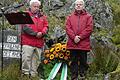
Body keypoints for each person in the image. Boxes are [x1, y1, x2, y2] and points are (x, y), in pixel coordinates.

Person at [65, 0, 93, 80]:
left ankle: (82, 75)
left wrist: (80, 37)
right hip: (72, 43)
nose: (78, 6)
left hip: (83, 43)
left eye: (80, 4)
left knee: (83, 61)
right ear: (74, 6)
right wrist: (74, 37)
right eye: (77, 4)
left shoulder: (88, 17)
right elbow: (68, 28)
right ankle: (74, 76)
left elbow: (89, 29)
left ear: (83, 6)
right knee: (73, 60)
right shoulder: (70, 17)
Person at [21, 0, 48, 79]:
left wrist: (42, 33)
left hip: (39, 43)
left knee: (36, 62)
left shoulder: (43, 16)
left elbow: (46, 26)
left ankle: (33, 76)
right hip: (28, 42)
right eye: (34, 6)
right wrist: (36, 34)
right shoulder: (25, 15)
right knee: (26, 60)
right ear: (30, 6)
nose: (36, 8)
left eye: (38, 7)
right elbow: (25, 27)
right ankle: (25, 76)